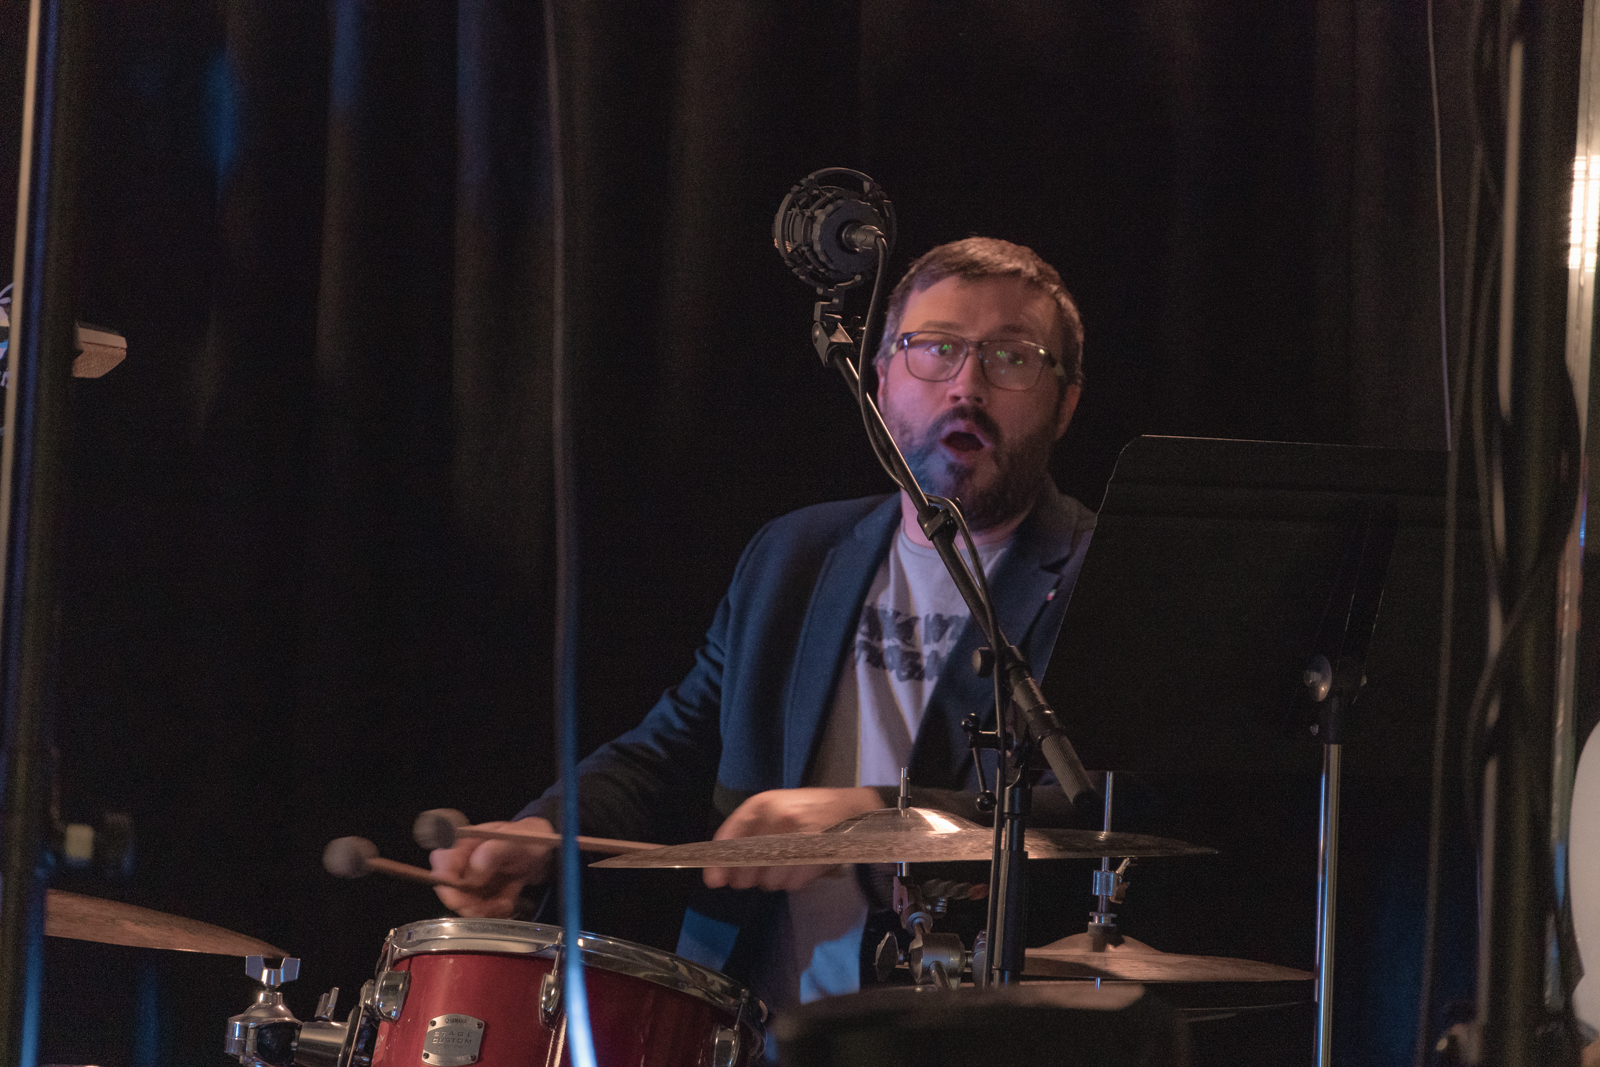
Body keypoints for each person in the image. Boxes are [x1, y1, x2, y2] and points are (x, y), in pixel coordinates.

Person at [430, 236, 1096, 1015]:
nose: (967, 386)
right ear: (880, 378)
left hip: (959, 1027)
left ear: (1066, 402)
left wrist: (866, 817)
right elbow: (673, 749)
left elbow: (1099, 811)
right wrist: (543, 830)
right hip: (746, 1023)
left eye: (1011, 357)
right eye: (936, 349)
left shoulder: (1099, 577)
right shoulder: (794, 555)